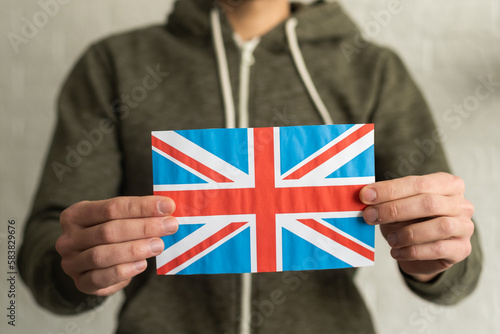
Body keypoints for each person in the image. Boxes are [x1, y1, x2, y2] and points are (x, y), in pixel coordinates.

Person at [19, 0, 482, 333]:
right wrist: (74, 265)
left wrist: (438, 256)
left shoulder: (373, 70)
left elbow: (459, 261)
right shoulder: (113, 65)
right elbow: (43, 247)